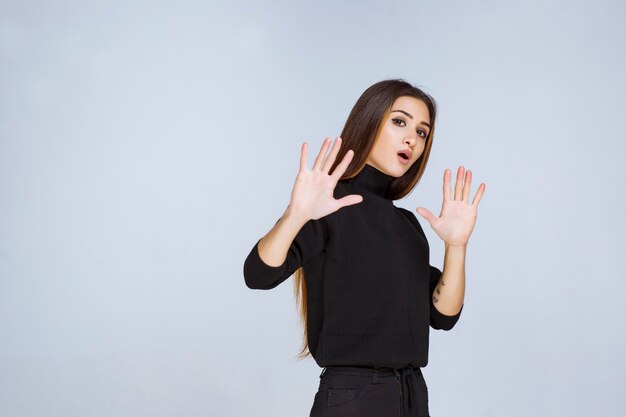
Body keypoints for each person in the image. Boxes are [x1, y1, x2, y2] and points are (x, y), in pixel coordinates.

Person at [243, 79, 485, 417]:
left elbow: (443, 316)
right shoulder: (330, 205)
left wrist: (457, 246)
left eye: (422, 132)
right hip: (355, 398)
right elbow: (258, 274)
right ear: (369, 121)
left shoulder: (408, 226)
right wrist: (295, 215)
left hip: (412, 395)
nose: (411, 139)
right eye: (399, 122)